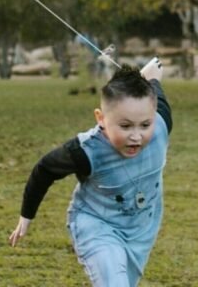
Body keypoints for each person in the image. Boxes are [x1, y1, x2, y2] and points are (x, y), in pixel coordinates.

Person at [9, 58, 172, 286]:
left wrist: (151, 74)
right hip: (95, 224)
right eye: (125, 126)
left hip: (140, 231)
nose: (136, 136)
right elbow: (44, 170)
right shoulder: (86, 151)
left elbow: (156, 88)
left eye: (145, 125)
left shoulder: (161, 123)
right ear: (101, 119)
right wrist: (26, 217)